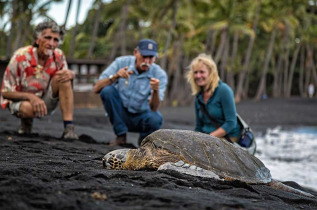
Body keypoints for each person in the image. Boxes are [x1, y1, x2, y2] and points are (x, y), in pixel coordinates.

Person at [0, 20, 78, 139]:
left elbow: (66, 86)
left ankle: (69, 128)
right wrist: (31, 97)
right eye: (47, 38)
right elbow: (5, 93)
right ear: (37, 39)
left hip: (45, 101)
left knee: (64, 77)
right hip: (22, 101)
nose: (51, 43)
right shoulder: (20, 56)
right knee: (27, 108)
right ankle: (26, 122)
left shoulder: (59, 56)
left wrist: (71, 75)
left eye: (55, 40)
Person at [93, 39, 167, 146]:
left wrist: (155, 90)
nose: (146, 61)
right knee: (107, 90)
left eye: (150, 57)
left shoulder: (159, 74)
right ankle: (121, 135)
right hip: (120, 115)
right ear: (135, 53)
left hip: (142, 117)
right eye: (144, 56)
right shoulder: (121, 63)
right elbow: (96, 88)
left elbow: (154, 108)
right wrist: (115, 77)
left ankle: (144, 141)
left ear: (155, 58)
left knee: (156, 118)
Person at [186, 54, 241, 142]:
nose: (198, 76)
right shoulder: (199, 96)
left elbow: (231, 123)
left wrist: (208, 138)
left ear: (211, 73)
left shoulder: (224, 90)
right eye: (195, 72)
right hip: (207, 139)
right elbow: (199, 126)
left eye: (202, 72)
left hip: (228, 138)